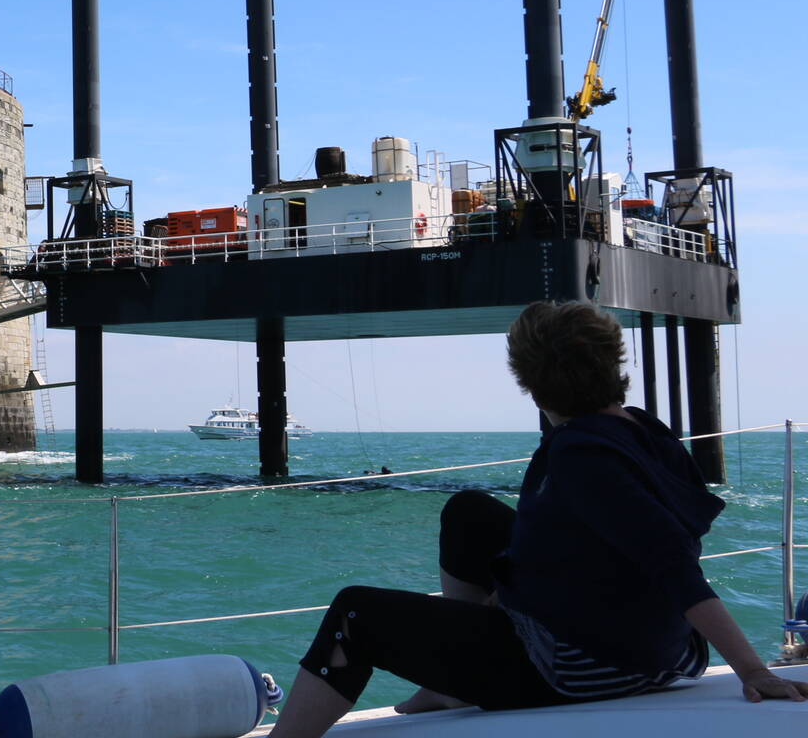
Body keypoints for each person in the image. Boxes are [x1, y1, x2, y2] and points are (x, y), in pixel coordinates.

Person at [268, 301, 807, 736]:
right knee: (469, 511)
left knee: (355, 613)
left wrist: (754, 672)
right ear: (614, 367)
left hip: (589, 667)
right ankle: (453, 683)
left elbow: (672, 566)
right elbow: (589, 540)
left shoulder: (583, 458)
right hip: (666, 648)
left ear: (528, 380)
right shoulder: (642, 431)